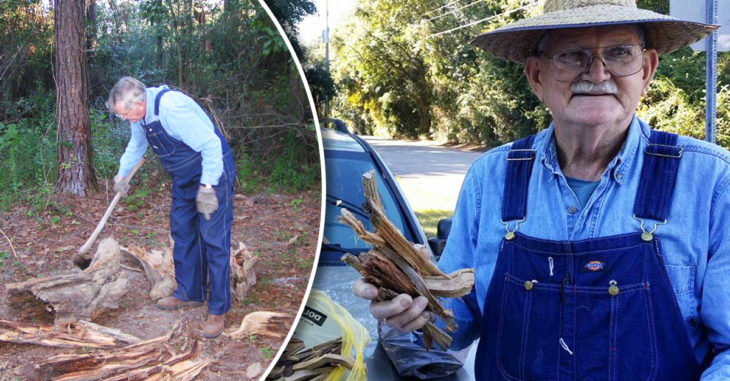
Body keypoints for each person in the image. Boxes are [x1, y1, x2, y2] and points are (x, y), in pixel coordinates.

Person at [353, 0, 729, 379]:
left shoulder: (711, 181)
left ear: (646, 70)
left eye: (619, 53)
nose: (598, 73)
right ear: (536, 75)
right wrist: (410, 306)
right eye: (572, 55)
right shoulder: (491, 178)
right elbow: (454, 327)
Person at [107, 77, 236, 339]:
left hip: (212, 172)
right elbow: (137, 146)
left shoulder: (171, 109)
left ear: (139, 102)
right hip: (184, 178)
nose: (123, 119)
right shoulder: (141, 117)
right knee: (182, 231)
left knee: (213, 238)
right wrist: (122, 175)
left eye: (124, 113)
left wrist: (208, 187)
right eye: (120, 114)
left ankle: (218, 309)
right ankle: (190, 292)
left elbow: (210, 145)